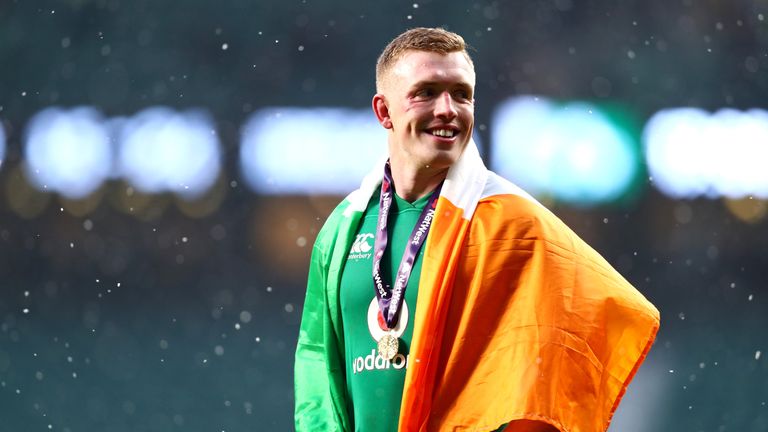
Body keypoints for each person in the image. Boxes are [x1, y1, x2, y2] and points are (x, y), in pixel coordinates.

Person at [294, 27, 660, 432]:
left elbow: (608, 317)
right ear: (384, 112)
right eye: (427, 92)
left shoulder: (511, 222)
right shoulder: (343, 226)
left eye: (461, 94)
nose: (448, 108)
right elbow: (317, 368)